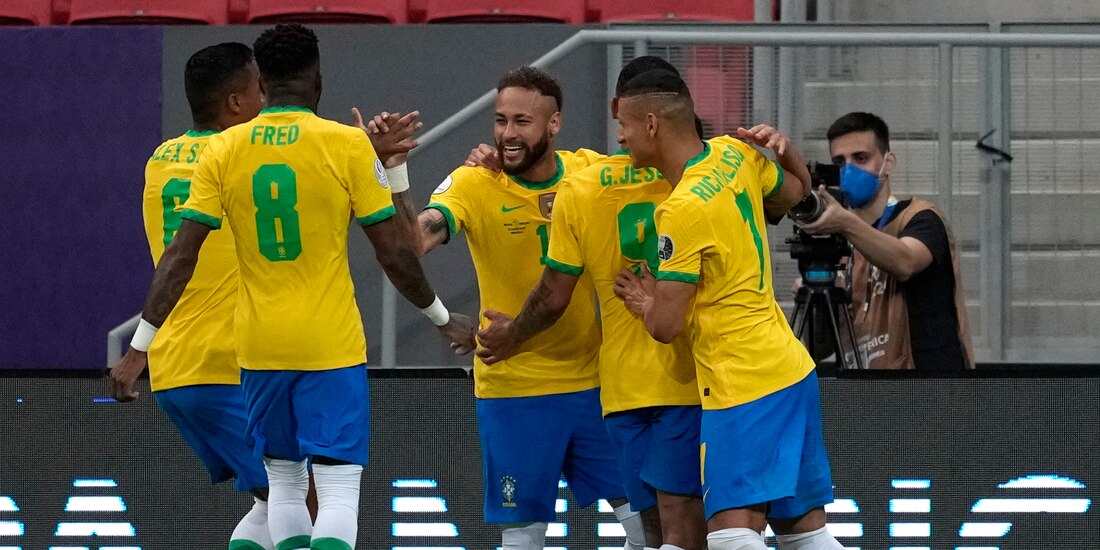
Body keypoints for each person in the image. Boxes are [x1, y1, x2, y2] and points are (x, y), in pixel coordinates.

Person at [109, 23, 475, 550]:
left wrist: (138, 349)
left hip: (252, 349)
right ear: (316, 78)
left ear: (267, 81)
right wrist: (441, 317)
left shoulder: (212, 152)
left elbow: (180, 256)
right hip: (322, 344)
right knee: (335, 491)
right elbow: (397, 250)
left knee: (279, 489)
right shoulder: (344, 144)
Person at [375, 66, 643, 550]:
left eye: (522, 121)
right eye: (500, 121)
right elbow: (413, 242)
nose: (507, 134)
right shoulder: (473, 184)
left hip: (595, 383)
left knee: (646, 527)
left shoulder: (590, 172)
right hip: (512, 387)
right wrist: (394, 167)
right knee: (524, 537)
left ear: (554, 124)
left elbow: (661, 165)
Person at [472, 56, 711, 550]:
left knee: (660, 528)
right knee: (679, 529)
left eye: (622, 124)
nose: (619, 137)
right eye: (502, 121)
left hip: (619, 385)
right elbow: (788, 197)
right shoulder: (718, 169)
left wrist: (512, 334)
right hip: (675, 380)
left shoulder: (584, 181)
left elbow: (554, 292)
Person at [612, 69, 843, 550]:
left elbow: (666, 326)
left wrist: (642, 302)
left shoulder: (678, 211)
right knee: (805, 533)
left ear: (651, 124)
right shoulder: (736, 154)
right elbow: (802, 198)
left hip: (741, 384)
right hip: (789, 369)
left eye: (625, 126)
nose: (621, 138)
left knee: (732, 537)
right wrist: (788, 152)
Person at [109, 41, 275, 550]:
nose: (267, 102)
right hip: (221, 362)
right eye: (260, 90)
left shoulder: (161, 158)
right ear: (235, 105)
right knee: (307, 497)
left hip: (179, 365)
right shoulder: (236, 157)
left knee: (272, 502)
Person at [800, 112, 974, 371]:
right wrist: (813, 295)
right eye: (840, 162)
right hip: (870, 395)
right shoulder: (839, 242)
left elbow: (906, 261)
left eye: (861, 158)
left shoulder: (921, 218)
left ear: (888, 162)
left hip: (930, 392)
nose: (849, 170)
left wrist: (845, 222)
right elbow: (820, 348)